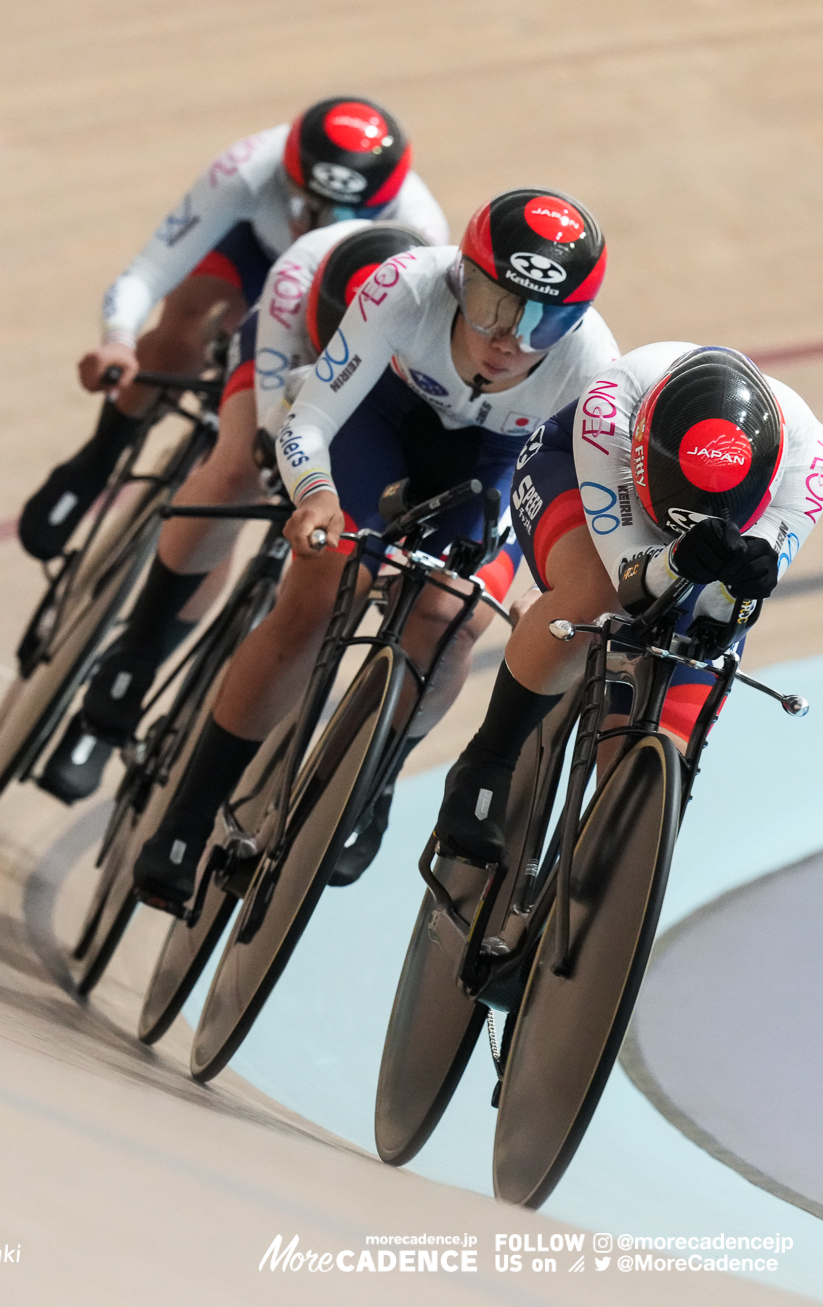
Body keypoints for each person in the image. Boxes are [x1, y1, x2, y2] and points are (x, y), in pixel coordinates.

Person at [130, 188, 619, 901]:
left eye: (544, 321)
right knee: (322, 587)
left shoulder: (591, 368)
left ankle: (381, 772)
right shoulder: (406, 285)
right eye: (493, 304)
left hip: (494, 462)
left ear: (574, 321)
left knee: (454, 619)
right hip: (383, 422)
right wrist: (316, 495)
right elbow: (311, 421)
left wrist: (533, 587)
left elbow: (562, 507)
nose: (510, 336)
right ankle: (187, 814)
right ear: (459, 277)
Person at [39, 219, 433, 800]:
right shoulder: (297, 277)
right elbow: (276, 424)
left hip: (381, 390)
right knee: (238, 472)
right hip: (289, 356)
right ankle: (135, 658)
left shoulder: (421, 299)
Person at [431, 342, 823, 863]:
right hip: (582, 479)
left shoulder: (808, 464)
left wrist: (740, 592)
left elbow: (729, 609)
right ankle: (488, 758)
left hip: (707, 532)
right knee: (597, 600)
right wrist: (675, 561)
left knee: (677, 726)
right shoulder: (612, 404)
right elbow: (628, 579)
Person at [17, 96, 449, 563]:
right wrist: (119, 341)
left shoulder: (420, 229)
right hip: (254, 258)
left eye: (342, 218)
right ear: (286, 176)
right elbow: (149, 270)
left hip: (334, 294)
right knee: (180, 334)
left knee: (239, 472)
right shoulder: (248, 166)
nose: (314, 225)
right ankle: (98, 459)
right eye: (306, 205)